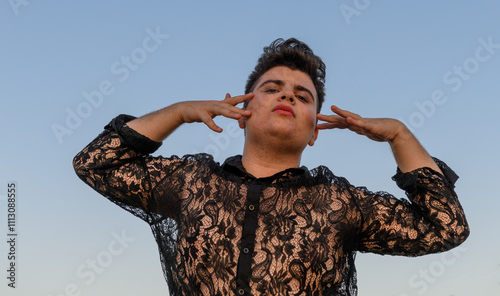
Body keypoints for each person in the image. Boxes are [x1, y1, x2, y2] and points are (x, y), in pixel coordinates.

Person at [73, 38, 469, 296]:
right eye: (272, 88)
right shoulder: (190, 181)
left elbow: (446, 227)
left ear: (314, 131)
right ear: (242, 112)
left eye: (303, 96)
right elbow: (95, 164)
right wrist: (178, 113)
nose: (287, 96)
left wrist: (399, 135)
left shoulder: (338, 202)